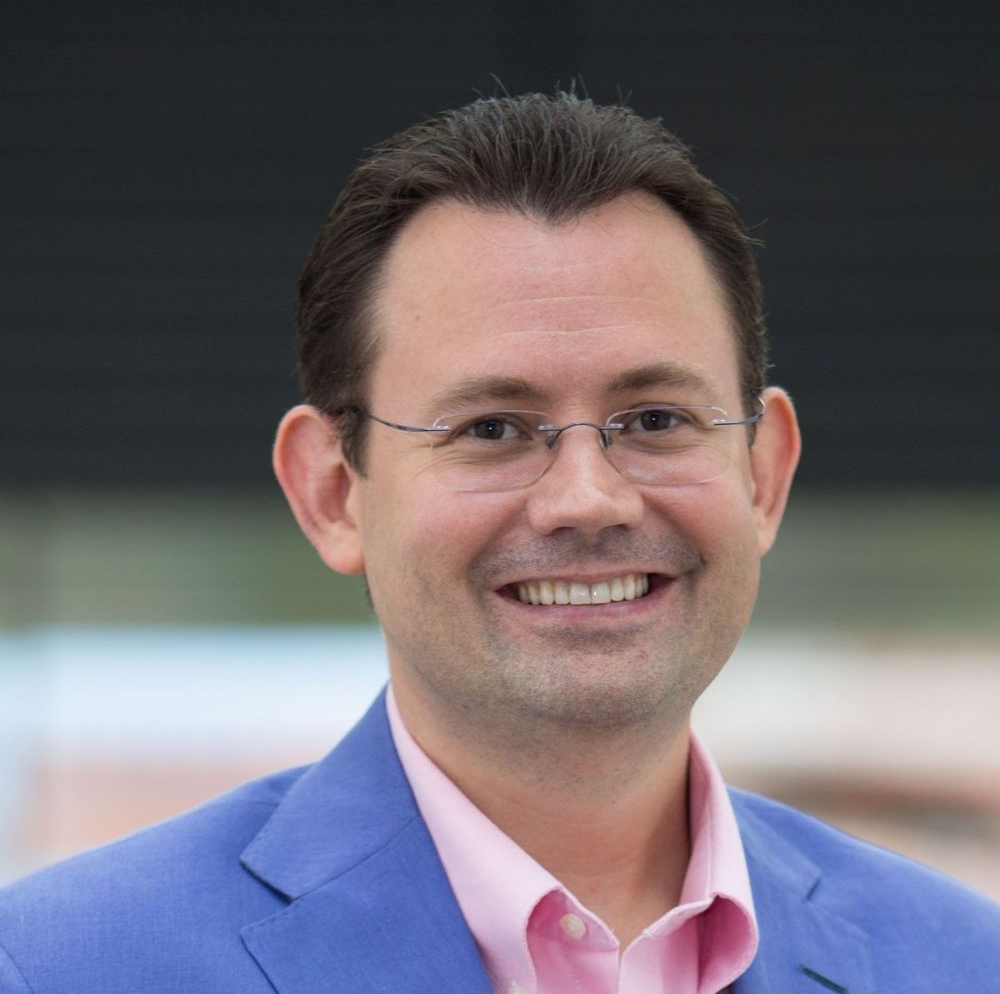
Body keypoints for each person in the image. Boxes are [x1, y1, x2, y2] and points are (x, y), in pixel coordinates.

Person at [1, 92, 998, 994]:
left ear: (763, 474)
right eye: (489, 429)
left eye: (653, 419)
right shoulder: (59, 968)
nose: (586, 499)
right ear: (332, 492)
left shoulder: (960, 964)